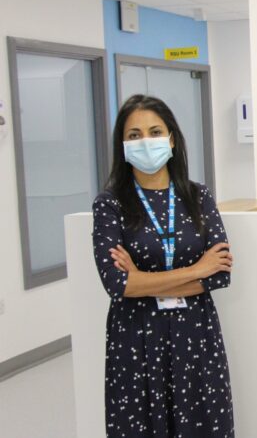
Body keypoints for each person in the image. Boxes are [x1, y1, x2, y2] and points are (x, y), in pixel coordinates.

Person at [92, 95, 235, 437]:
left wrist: (142, 279)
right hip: (136, 338)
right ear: (122, 145)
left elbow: (219, 275)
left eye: (155, 132)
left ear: (171, 139)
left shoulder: (199, 197)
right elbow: (117, 284)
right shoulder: (110, 205)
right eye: (134, 135)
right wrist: (196, 270)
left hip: (196, 334)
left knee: (201, 423)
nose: (145, 141)